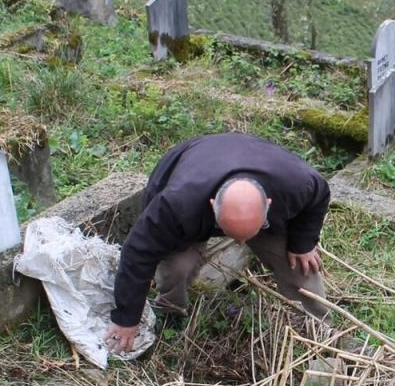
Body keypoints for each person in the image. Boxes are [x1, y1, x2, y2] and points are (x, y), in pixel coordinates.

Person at [103, 132, 330, 354]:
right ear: (213, 205)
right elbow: (138, 252)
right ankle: (171, 311)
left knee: (301, 265)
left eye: (247, 236)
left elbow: (319, 195)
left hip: (254, 173)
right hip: (198, 182)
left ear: (269, 204)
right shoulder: (175, 204)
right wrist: (126, 317)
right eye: (232, 234)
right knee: (176, 267)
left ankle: (321, 332)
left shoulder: (296, 184)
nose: (240, 243)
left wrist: (303, 242)